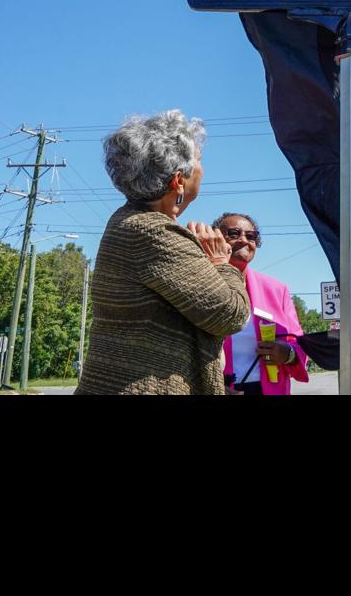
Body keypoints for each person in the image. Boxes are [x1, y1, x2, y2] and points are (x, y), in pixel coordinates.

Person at [76, 110, 251, 395]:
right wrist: (221, 262)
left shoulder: (130, 221)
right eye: (199, 160)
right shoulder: (154, 232)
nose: (203, 169)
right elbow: (229, 315)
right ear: (178, 181)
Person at [213, 212, 310, 395]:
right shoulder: (201, 285)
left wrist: (287, 353)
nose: (244, 240)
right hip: (216, 389)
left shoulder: (277, 290)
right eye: (234, 233)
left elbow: (300, 345)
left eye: (251, 236)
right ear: (217, 239)